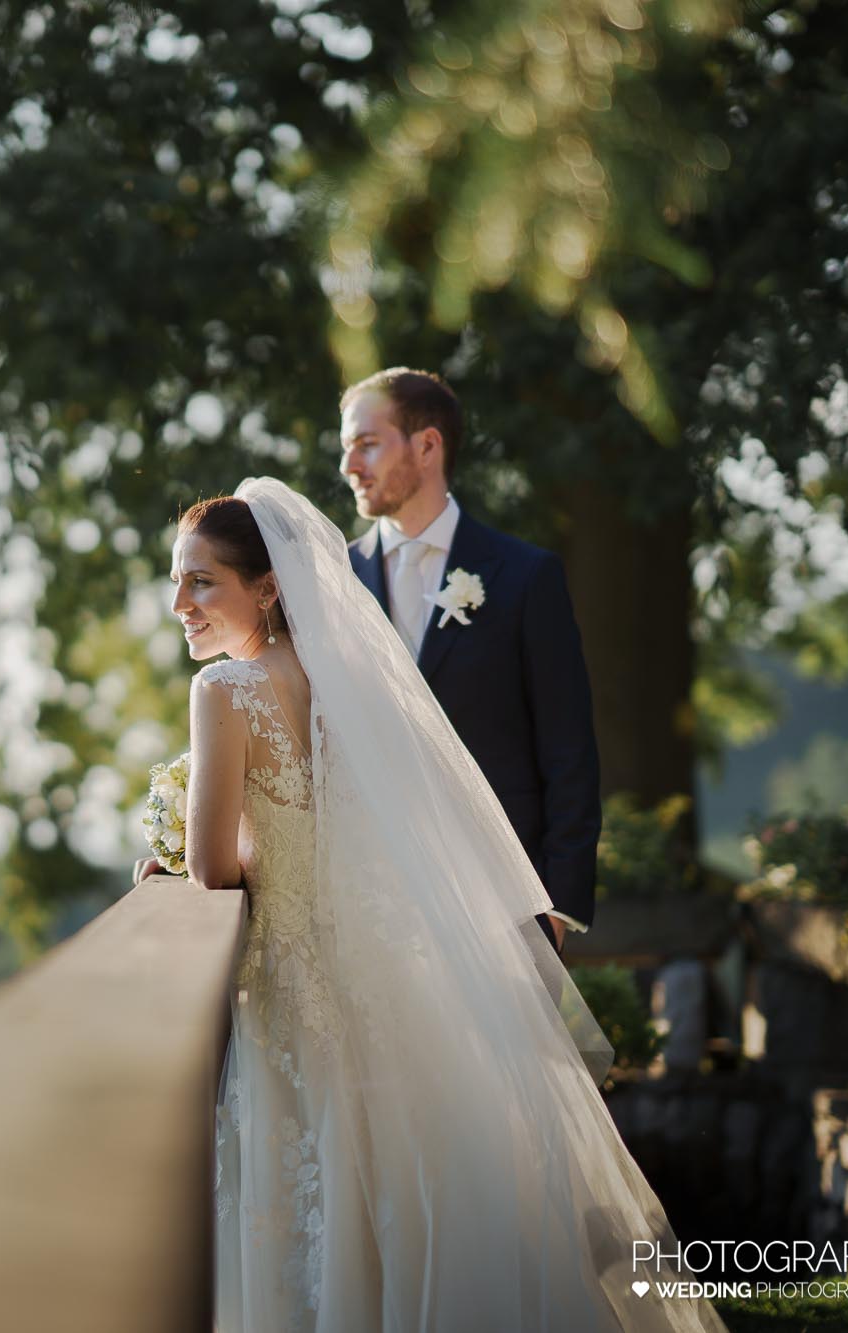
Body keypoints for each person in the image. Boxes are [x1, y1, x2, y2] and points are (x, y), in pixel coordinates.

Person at [136, 481, 721, 1331]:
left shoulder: (225, 692)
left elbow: (217, 874)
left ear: (266, 587)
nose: (179, 603)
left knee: (311, 1197)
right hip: (375, 977)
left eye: (201, 581)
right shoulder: (341, 685)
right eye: (178, 580)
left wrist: (176, 846)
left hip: (288, 993)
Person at [340, 367, 601, 957]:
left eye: (367, 443)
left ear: (427, 445)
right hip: (368, 903)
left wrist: (557, 908)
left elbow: (569, 752)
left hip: (504, 904)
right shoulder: (333, 582)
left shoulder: (526, 576)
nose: (349, 466)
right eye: (346, 447)